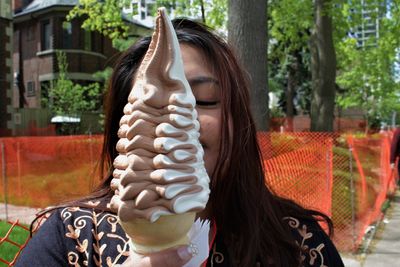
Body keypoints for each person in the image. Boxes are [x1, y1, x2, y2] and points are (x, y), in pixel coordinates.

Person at [16, 18, 344, 267]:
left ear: (238, 120)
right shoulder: (73, 238)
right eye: (149, 109)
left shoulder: (297, 245)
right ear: (123, 132)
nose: (176, 121)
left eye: (203, 100)